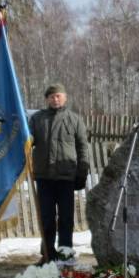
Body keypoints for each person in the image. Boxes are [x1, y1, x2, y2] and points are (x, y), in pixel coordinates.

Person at [29, 83, 90, 264]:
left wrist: (82, 172)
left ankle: (65, 253)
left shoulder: (75, 119)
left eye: (58, 96)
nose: (55, 99)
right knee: (46, 218)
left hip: (66, 177)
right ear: (47, 99)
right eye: (52, 96)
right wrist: (25, 139)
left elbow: (82, 147)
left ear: (65, 98)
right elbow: (28, 141)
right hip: (44, 177)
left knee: (66, 218)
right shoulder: (37, 119)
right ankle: (47, 254)